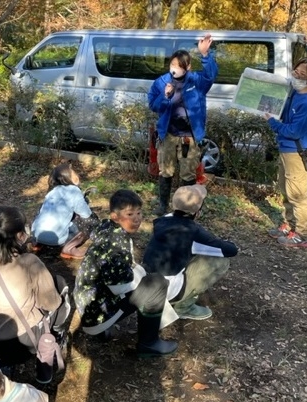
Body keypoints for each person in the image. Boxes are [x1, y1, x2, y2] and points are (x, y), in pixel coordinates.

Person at [74, 189, 178, 358]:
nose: (137, 218)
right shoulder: (116, 245)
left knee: (142, 275)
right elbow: (120, 285)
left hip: (87, 307)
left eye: (139, 212)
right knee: (156, 283)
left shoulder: (106, 227)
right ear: (115, 216)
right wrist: (146, 285)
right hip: (96, 315)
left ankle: (104, 331)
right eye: (130, 214)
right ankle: (148, 343)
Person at [0, 206, 69, 369]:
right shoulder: (30, 262)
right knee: (60, 285)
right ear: (19, 235)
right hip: (23, 342)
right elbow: (51, 303)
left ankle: (3, 368)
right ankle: (53, 339)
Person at [143, 185, 238, 320]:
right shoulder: (192, 232)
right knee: (221, 261)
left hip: (145, 283)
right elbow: (230, 250)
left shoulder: (163, 221)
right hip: (168, 291)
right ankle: (184, 307)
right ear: (197, 212)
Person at [148, 34, 218, 216]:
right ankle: (163, 205)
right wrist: (165, 96)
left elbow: (211, 75)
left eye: (179, 66)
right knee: (166, 171)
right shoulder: (161, 82)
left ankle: (185, 207)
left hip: (190, 136)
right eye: (172, 65)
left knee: (188, 173)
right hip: (168, 134)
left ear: (188, 67)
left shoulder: (196, 81)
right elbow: (153, 106)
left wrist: (205, 55)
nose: (175, 69)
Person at [265, 57, 307, 247]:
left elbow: (294, 131)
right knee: (285, 189)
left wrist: (271, 121)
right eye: (296, 71)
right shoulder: (295, 91)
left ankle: (302, 234)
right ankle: (288, 224)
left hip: (298, 152)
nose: (296, 76)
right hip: (287, 149)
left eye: (302, 74)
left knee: (298, 194)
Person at [31, 163, 98, 259]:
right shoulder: (74, 191)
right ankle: (68, 248)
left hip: (37, 235)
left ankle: (37, 244)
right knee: (91, 220)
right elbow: (86, 214)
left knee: (41, 213)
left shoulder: (52, 192)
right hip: (58, 240)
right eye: (74, 173)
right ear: (69, 178)